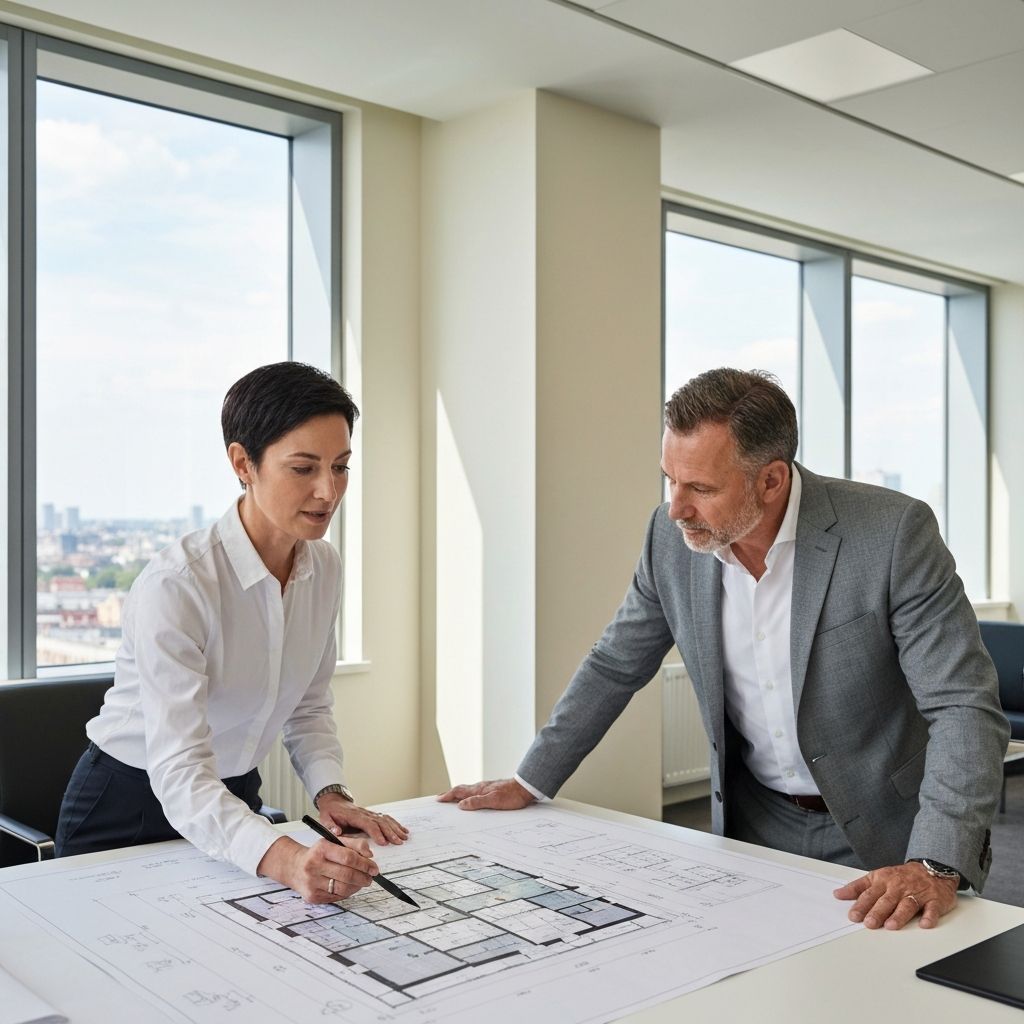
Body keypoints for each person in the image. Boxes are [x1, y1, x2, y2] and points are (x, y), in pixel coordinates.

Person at [440, 367, 1009, 931]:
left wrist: (934, 860)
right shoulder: (669, 539)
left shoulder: (890, 533)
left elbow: (963, 706)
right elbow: (616, 663)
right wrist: (529, 781)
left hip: (891, 832)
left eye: (701, 489)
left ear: (772, 480)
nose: (676, 508)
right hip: (751, 822)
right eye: (670, 480)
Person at [56, 362, 407, 903]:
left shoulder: (324, 568)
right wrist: (287, 858)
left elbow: (308, 706)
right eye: (304, 468)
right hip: (128, 803)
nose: (328, 491)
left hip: (232, 799)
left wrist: (330, 792)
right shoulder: (178, 585)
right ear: (244, 463)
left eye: (340, 467)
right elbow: (179, 770)